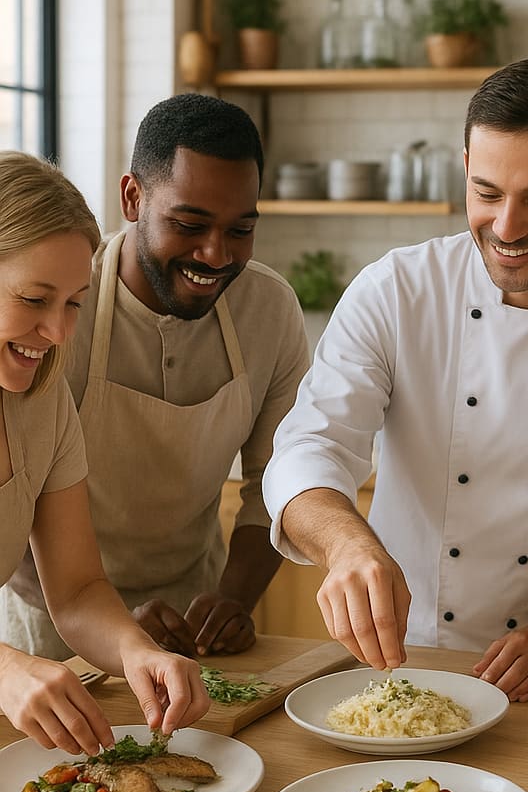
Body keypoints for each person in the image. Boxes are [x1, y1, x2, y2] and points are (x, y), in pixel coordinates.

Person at [263, 58, 528, 701]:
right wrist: (348, 546)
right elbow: (309, 446)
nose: (508, 227)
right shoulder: (396, 291)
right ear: (465, 168)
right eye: (487, 193)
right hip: (394, 664)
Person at [0, 95, 309, 661]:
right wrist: (25, 666)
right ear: (133, 198)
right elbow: (37, 542)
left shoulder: (270, 310)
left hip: (187, 629)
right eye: (189, 224)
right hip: (45, 635)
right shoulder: (53, 323)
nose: (215, 254)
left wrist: (230, 600)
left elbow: (279, 481)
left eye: (240, 230)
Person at [0, 150, 209, 754]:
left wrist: (137, 653)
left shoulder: (42, 403)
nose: (60, 332)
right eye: (35, 300)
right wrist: (6, 669)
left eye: (73, 302)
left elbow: (77, 589)